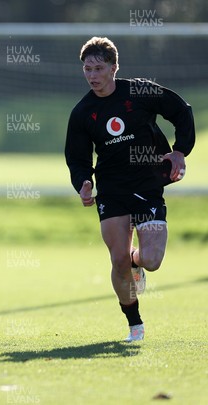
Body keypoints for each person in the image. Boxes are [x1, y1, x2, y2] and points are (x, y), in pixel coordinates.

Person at [65, 37, 195, 342]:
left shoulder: (140, 91)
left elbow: (181, 109)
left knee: (151, 260)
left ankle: (137, 263)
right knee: (117, 259)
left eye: (98, 68)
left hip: (148, 184)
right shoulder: (82, 112)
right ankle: (134, 325)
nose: (92, 75)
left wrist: (180, 151)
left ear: (113, 67)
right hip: (111, 190)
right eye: (87, 69)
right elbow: (77, 158)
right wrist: (83, 183)